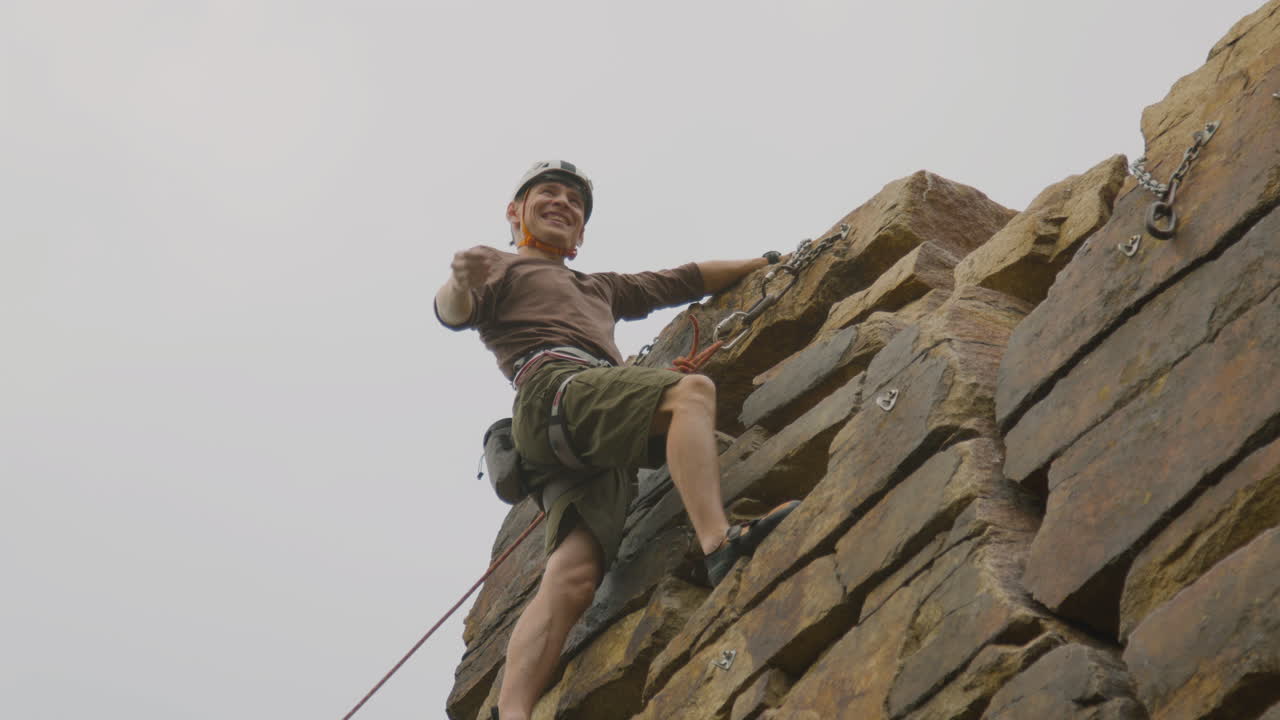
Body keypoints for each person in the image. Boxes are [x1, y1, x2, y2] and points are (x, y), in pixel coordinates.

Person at [435, 160, 797, 720]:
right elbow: (451, 313)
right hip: (555, 388)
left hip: (577, 421)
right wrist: (460, 279)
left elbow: (684, 279)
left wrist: (765, 262)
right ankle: (719, 541)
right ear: (515, 213)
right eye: (547, 194)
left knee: (575, 574)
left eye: (574, 203)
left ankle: (513, 714)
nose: (562, 203)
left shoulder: (599, 287)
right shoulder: (499, 268)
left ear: (581, 233)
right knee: (690, 394)